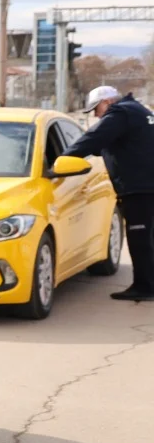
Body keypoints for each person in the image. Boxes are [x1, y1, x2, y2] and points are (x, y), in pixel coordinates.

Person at [64, 84, 154, 301]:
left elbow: (93, 138)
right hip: (146, 185)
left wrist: (64, 157)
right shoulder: (139, 111)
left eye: (96, 109)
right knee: (148, 238)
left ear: (107, 102)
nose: (95, 115)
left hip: (139, 187)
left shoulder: (120, 113)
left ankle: (145, 287)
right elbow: (110, 143)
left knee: (140, 239)